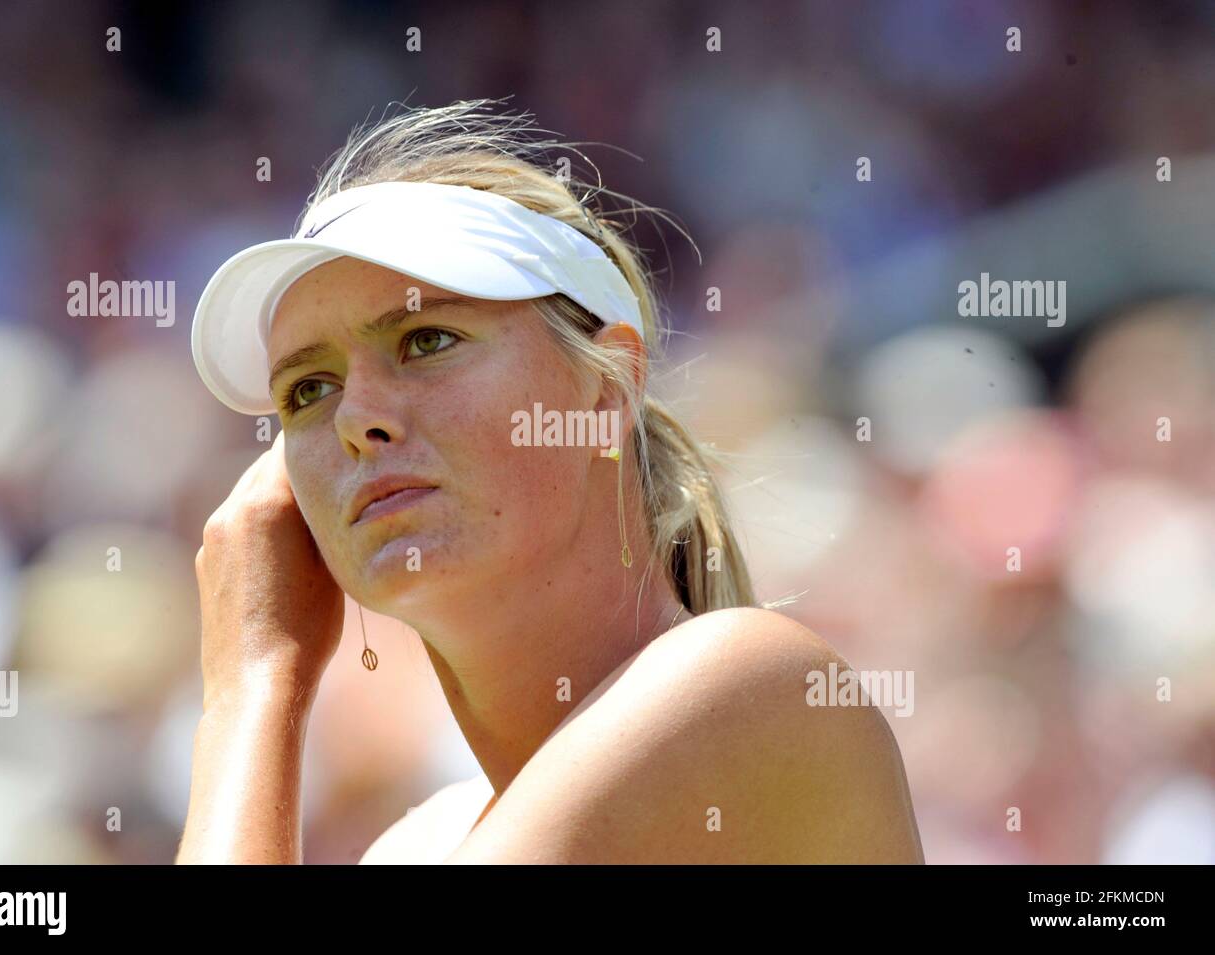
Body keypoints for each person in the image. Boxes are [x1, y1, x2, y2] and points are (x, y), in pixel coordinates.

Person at [176, 98, 924, 864]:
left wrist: (251, 689)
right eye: (308, 389)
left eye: (427, 339)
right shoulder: (411, 845)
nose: (354, 417)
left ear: (607, 392)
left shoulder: (741, 683)